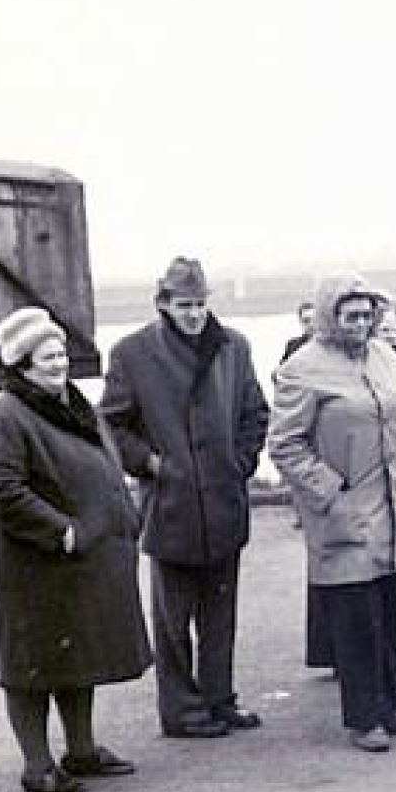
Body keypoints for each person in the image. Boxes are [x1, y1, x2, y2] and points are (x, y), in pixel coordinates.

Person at [0, 308, 151, 792]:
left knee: (77, 655)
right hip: (33, 565)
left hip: (77, 565)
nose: (59, 364)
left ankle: (82, 750)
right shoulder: (4, 414)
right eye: (47, 356)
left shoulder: (71, 403)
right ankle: (37, 765)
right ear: (22, 362)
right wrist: (62, 532)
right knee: (30, 667)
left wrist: (122, 515)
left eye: (60, 354)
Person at [101, 256, 271, 739]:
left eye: (200, 304)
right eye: (184, 305)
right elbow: (111, 423)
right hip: (171, 506)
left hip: (222, 500)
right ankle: (181, 709)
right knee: (173, 619)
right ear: (163, 304)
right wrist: (153, 465)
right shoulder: (132, 353)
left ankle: (220, 698)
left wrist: (240, 463)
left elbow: (255, 412)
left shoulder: (234, 348)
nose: (195, 314)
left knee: (221, 613)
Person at [267, 276, 396, 750]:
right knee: (355, 614)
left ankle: (392, 704)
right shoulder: (302, 368)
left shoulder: (385, 356)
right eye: (350, 316)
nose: (361, 325)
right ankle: (364, 718)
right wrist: (329, 491)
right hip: (345, 506)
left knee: (390, 603)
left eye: (367, 315)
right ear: (328, 317)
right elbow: (285, 444)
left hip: (394, 503)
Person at [280, 301, 316, 366]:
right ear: (301, 322)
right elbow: (278, 372)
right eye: (306, 321)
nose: (311, 324)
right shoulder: (293, 345)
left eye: (314, 319)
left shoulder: (332, 344)